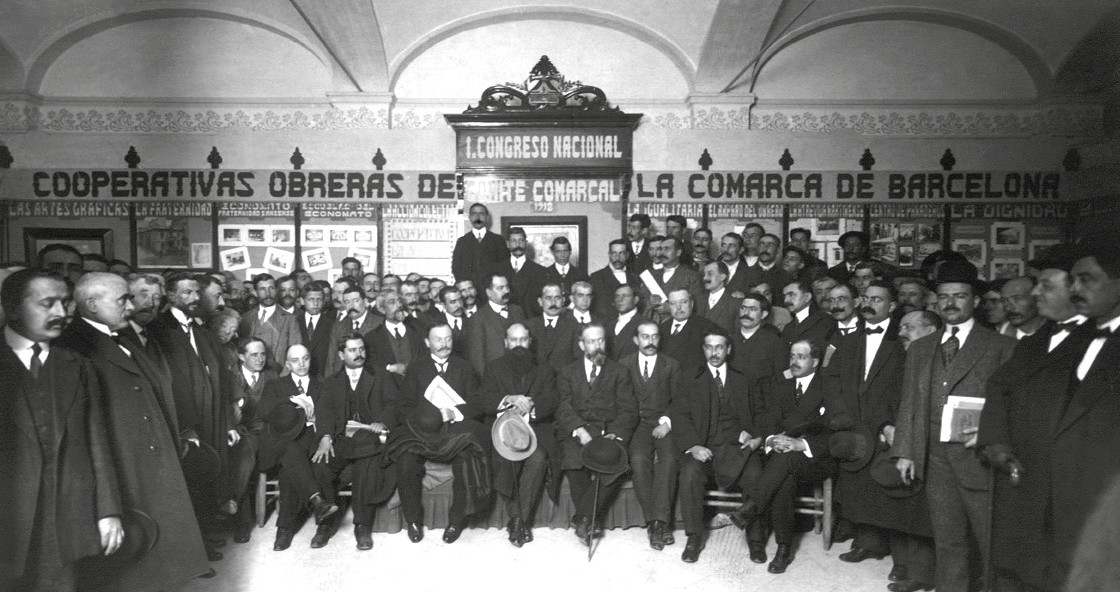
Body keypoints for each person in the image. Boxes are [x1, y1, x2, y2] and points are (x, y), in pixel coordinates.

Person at [61, 272, 211, 589]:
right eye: (122, 299)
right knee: (131, 567)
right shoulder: (75, 345)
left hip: (152, 458)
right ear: (91, 304)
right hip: (124, 465)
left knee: (157, 560)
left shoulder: (122, 337)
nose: (131, 306)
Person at [893, 261, 1016, 592]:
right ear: (935, 301)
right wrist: (905, 451)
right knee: (948, 542)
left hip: (979, 459)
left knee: (991, 543)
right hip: (935, 460)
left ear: (975, 301)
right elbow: (910, 402)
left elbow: (1013, 407)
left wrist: (992, 434)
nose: (951, 303)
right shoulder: (920, 347)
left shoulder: (1001, 347)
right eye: (944, 296)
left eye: (960, 296)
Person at [1, 269, 123, 591]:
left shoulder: (78, 365)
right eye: (47, 303)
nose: (61, 313)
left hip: (66, 519)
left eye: (65, 303)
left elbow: (98, 442)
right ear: (12, 307)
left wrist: (108, 511)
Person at [828, 281, 936, 592]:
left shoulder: (905, 337)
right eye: (866, 298)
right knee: (857, 487)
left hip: (888, 426)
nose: (869, 304)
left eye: (878, 299)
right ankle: (869, 543)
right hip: (854, 424)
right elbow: (831, 379)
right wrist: (840, 416)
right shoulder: (849, 339)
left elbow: (906, 388)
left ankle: (903, 561)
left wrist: (887, 425)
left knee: (893, 491)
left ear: (891, 306)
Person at [145, 271, 235, 560]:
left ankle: (204, 538)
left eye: (197, 292)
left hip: (209, 415)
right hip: (186, 421)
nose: (195, 298)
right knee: (190, 482)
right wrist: (185, 426)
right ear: (170, 296)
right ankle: (193, 551)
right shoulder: (159, 328)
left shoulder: (198, 329)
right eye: (187, 293)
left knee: (207, 475)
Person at [736, 339, 838, 574]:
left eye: (801, 357)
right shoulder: (782, 386)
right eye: (792, 356)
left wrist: (800, 444)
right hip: (784, 458)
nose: (794, 361)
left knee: (786, 463)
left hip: (816, 458)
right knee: (785, 476)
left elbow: (834, 430)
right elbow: (767, 421)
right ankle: (784, 548)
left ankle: (751, 507)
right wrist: (772, 441)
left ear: (815, 361)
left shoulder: (829, 387)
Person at [392, 323, 491, 544]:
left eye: (447, 339)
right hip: (423, 432)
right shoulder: (416, 369)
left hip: (455, 431)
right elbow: (403, 407)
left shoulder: (465, 367)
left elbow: (478, 403)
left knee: (467, 458)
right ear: (427, 343)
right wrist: (427, 416)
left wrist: (454, 412)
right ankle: (414, 521)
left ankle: (456, 520)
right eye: (438, 339)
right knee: (406, 460)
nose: (444, 344)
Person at [673, 328, 765, 563]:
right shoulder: (689, 377)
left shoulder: (745, 376)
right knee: (690, 472)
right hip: (705, 445)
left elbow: (762, 412)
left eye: (719, 347)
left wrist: (756, 437)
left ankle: (755, 540)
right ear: (703, 349)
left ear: (728, 349)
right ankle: (694, 537)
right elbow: (681, 416)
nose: (714, 353)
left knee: (755, 473)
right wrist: (693, 446)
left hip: (738, 445)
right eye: (709, 347)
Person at [312, 333, 399, 550]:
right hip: (342, 438)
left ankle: (362, 525)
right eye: (352, 350)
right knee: (321, 465)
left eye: (361, 349)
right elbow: (325, 412)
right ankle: (326, 522)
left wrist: (383, 422)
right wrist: (325, 437)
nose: (358, 354)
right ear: (341, 354)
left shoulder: (380, 375)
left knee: (365, 466)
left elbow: (394, 404)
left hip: (370, 437)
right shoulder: (331, 381)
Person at [556, 323, 638, 544]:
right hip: (578, 430)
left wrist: (615, 434)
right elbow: (563, 407)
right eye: (591, 342)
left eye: (601, 340)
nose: (597, 346)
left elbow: (628, 410)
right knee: (573, 461)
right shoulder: (567, 372)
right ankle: (587, 519)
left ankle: (583, 518)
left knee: (612, 462)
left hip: (607, 431)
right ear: (582, 344)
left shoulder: (620, 371)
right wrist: (579, 429)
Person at [480, 323, 559, 547]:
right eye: (514, 340)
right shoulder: (493, 368)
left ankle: (517, 520)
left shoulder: (544, 369)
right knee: (505, 458)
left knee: (539, 458)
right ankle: (521, 521)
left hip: (535, 428)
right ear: (506, 343)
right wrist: (508, 399)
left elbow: (553, 400)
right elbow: (483, 401)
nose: (518, 345)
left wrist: (532, 406)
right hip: (502, 430)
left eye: (523, 340)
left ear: (530, 342)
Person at [258, 344, 340, 551]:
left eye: (305, 358)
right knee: (290, 452)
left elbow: (331, 413)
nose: (301, 364)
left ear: (311, 359)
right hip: (284, 440)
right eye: (295, 360)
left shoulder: (323, 384)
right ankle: (318, 505)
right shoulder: (276, 385)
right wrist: (292, 399)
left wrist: (326, 436)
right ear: (287, 364)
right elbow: (263, 411)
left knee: (300, 469)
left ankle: (293, 527)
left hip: (314, 437)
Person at [620, 321, 681, 550]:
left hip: (663, 423)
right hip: (637, 425)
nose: (650, 342)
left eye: (654, 337)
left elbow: (679, 399)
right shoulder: (624, 364)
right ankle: (655, 522)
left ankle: (660, 522)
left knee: (669, 461)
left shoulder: (672, 365)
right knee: (638, 460)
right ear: (636, 340)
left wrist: (666, 422)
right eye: (645, 337)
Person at [226, 337, 276, 544]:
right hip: (240, 433)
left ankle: (233, 506)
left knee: (244, 455)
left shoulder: (273, 376)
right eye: (254, 354)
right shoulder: (230, 377)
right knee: (242, 454)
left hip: (267, 433)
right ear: (241, 356)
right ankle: (241, 519)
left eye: (263, 354)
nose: (260, 359)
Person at [466, 273, 526, 376]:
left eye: (507, 287)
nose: (506, 291)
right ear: (489, 292)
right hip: (495, 379)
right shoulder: (478, 318)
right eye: (500, 288)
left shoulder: (518, 311)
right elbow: (477, 359)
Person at [362, 290, 426, 384]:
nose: (399, 305)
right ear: (382, 309)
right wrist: (389, 368)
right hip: (388, 392)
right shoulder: (372, 338)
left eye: (400, 301)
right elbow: (369, 366)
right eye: (392, 302)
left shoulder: (419, 331)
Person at [239, 273, 301, 369]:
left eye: (271, 288)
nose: (268, 294)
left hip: (278, 376)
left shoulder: (290, 319)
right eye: (262, 289)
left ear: (276, 290)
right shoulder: (246, 317)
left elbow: (295, 355)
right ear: (255, 292)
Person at [728, 293, 789, 386]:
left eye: (752, 309)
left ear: (763, 314)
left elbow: (782, 377)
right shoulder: (728, 340)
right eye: (743, 308)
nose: (746, 313)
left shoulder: (775, 342)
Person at [324, 285, 383, 378]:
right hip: (343, 381)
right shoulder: (339, 326)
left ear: (365, 302)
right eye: (347, 302)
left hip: (373, 380)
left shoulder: (380, 324)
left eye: (356, 301)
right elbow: (331, 360)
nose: (351, 306)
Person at [526, 283, 581, 372]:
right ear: (540, 301)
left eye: (557, 298)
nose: (553, 303)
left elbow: (578, 361)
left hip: (563, 383)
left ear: (563, 301)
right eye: (548, 298)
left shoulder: (574, 327)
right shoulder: (529, 326)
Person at [659, 288, 717, 371]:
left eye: (683, 302)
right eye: (673, 303)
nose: (678, 307)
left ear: (692, 304)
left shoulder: (706, 327)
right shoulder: (661, 328)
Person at [452, 203, 509, 286]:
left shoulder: (498, 240)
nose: (478, 217)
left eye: (481, 214)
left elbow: (505, 266)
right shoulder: (462, 241)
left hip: (492, 290)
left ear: (487, 217)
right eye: (474, 214)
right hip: (470, 292)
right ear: (469, 217)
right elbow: (456, 268)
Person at [589, 239, 640, 319]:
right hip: (605, 326)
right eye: (614, 253)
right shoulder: (596, 277)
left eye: (621, 253)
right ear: (609, 255)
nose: (617, 258)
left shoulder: (635, 277)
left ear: (627, 255)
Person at [504, 226, 547, 317]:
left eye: (521, 240)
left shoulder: (540, 271)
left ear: (526, 243)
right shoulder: (498, 269)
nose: (518, 244)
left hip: (531, 323)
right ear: (507, 244)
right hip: (504, 323)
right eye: (514, 241)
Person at [781, 279, 837, 346]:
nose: (786, 300)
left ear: (807, 297)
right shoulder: (788, 328)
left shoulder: (826, 321)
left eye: (791, 295)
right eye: (784, 296)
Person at [296, 283, 336, 379]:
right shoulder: (294, 322)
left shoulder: (332, 324)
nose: (315, 303)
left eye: (319, 299)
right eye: (311, 299)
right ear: (302, 301)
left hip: (322, 377)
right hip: (298, 375)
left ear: (324, 302)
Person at [696, 261, 741, 332]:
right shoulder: (698, 300)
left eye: (710, 274)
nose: (705, 278)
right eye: (704, 274)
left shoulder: (735, 302)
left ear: (722, 277)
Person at [542, 236, 588, 304]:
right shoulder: (543, 274)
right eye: (558, 251)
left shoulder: (581, 275)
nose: (562, 255)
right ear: (553, 252)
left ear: (570, 252)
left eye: (565, 251)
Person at [606, 283, 644, 362]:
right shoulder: (608, 325)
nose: (620, 300)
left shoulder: (645, 324)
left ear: (635, 300)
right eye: (617, 296)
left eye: (625, 296)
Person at [427, 285, 469, 358]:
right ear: (443, 305)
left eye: (460, 300)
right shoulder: (434, 324)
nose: (459, 305)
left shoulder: (473, 322)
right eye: (453, 302)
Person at [720, 232, 751, 297]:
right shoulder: (709, 269)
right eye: (724, 245)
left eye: (731, 246)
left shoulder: (749, 273)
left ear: (741, 250)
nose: (726, 249)